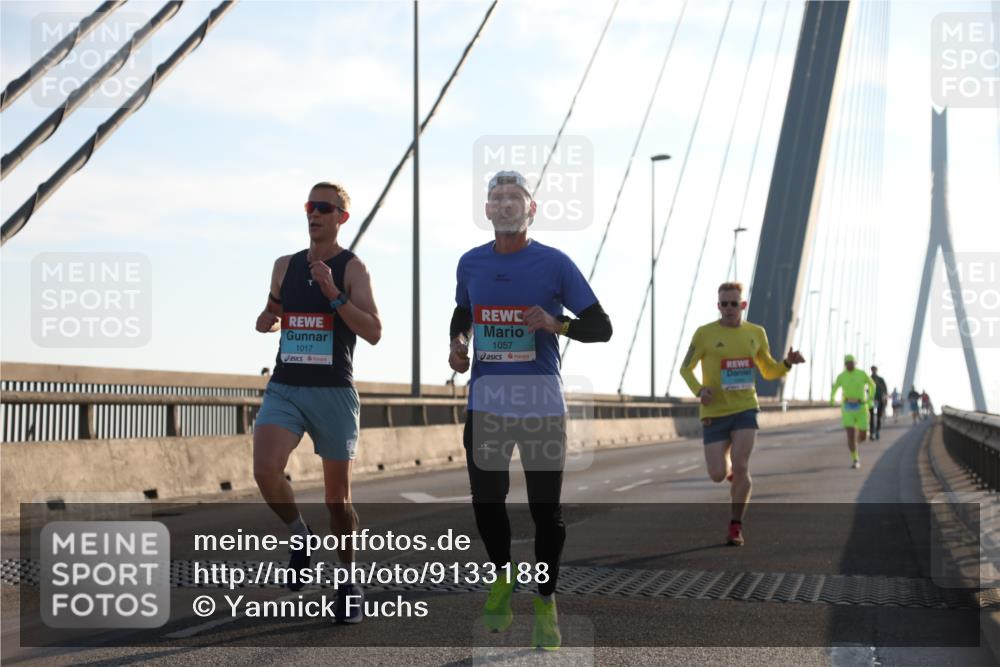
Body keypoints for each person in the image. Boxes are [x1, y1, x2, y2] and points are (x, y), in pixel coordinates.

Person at [449, 170, 612, 650]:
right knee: (486, 502)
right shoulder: (470, 264)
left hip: (540, 404)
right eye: (495, 197)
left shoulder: (554, 264)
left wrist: (555, 323)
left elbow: (601, 327)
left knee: (546, 512)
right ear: (487, 211)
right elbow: (464, 313)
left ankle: (545, 599)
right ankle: (503, 576)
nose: (504, 204)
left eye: (513, 197)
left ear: (531, 210)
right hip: (487, 405)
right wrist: (458, 345)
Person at [253, 181, 382, 624]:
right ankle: (299, 535)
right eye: (310, 205)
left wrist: (334, 294)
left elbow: (373, 332)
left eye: (324, 207)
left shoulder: (353, 269)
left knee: (337, 502)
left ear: (341, 217)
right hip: (286, 386)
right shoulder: (284, 266)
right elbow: (274, 314)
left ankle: (347, 580)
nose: (314, 213)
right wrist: (268, 321)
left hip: (333, 392)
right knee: (265, 469)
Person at [680, 282, 805, 547]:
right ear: (718, 306)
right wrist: (699, 389)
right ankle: (728, 473)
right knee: (717, 474)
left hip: (746, 408)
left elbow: (769, 370)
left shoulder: (756, 333)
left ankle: (736, 525)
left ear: (743, 305)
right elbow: (685, 368)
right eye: (723, 304)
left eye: (733, 304)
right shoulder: (704, 334)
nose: (728, 308)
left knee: (742, 465)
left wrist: (786, 364)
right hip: (714, 411)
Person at [831, 356, 876, 469]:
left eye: (852, 363)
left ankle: (855, 444)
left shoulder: (861, 374)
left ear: (855, 363)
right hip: (847, 408)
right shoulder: (841, 376)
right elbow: (835, 388)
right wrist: (832, 398)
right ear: (845, 364)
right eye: (847, 363)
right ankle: (855, 459)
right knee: (850, 434)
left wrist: (870, 398)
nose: (850, 365)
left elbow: (872, 385)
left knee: (863, 436)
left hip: (861, 407)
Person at [868, 366, 888, 439]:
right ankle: (871, 432)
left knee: (879, 416)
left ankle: (877, 431)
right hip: (871, 400)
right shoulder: (868, 378)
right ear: (871, 370)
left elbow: (885, 389)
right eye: (872, 370)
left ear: (877, 370)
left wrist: (885, 398)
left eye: (875, 370)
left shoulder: (880, 379)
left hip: (880, 399)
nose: (873, 371)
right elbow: (864, 387)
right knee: (871, 417)